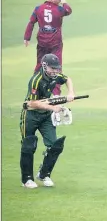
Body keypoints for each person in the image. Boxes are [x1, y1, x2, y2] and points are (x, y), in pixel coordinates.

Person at [20, 53, 75, 188]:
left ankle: (44, 174)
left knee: (55, 145)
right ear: (44, 66)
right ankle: (27, 179)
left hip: (45, 116)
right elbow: (32, 103)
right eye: (53, 68)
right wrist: (53, 108)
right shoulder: (36, 80)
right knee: (28, 145)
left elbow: (67, 79)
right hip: (30, 115)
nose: (55, 71)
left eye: (57, 68)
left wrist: (71, 93)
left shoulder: (56, 76)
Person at [24, 0, 72, 95]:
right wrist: (64, 2)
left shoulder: (38, 9)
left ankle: (34, 90)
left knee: (39, 64)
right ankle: (56, 93)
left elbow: (31, 22)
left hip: (42, 42)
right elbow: (68, 10)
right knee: (56, 66)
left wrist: (27, 37)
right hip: (56, 42)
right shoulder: (59, 9)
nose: (59, 1)